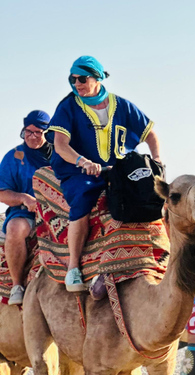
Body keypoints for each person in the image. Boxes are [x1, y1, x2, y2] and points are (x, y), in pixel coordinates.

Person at [48, 56, 161, 292]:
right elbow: (60, 144)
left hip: (118, 168)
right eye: (72, 78)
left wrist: (157, 159)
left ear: (97, 78)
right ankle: (73, 267)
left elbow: (150, 134)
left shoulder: (121, 105)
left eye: (81, 78)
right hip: (79, 170)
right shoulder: (68, 106)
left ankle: (162, 255)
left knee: (152, 194)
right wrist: (82, 161)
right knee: (84, 198)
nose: (76, 83)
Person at [0, 110, 53, 305]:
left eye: (38, 132)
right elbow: (2, 192)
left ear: (48, 132)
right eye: (28, 132)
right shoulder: (14, 156)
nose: (32, 136)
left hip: (61, 213)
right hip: (25, 215)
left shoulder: (61, 154)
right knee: (15, 228)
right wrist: (23, 198)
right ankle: (16, 285)